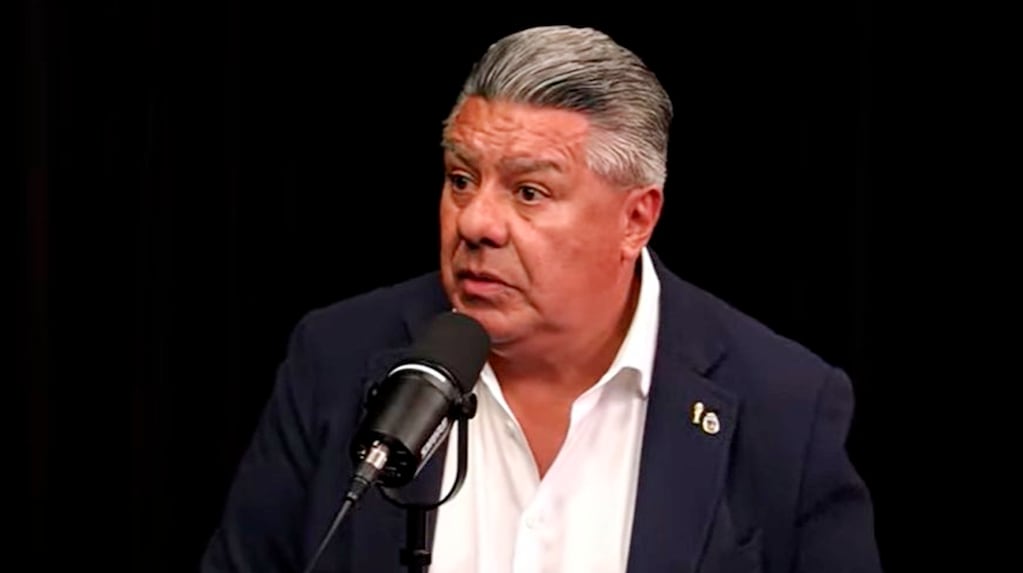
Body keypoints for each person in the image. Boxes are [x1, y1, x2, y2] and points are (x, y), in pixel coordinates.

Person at [200, 25, 882, 573]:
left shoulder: (782, 405)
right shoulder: (336, 358)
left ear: (635, 219)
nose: (476, 223)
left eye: (529, 192)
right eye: (461, 179)